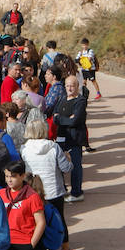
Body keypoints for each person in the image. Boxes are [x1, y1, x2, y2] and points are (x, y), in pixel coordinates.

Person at [21, 116, 74, 250]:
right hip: (53, 189)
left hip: (34, 191)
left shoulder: (24, 149)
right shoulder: (53, 147)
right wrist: (69, 160)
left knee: (36, 223)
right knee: (59, 219)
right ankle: (65, 248)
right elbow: (65, 168)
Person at [55, 75, 89, 203]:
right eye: (68, 85)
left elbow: (75, 120)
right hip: (60, 137)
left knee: (75, 165)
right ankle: (61, 190)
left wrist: (61, 119)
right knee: (58, 166)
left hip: (74, 139)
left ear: (77, 86)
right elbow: (55, 116)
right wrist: (66, 119)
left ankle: (77, 192)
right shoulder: (62, 99)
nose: (70, 88)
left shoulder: (80, 101)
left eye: (72, 85)